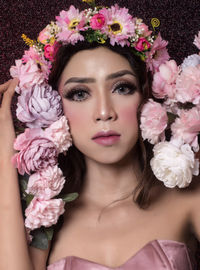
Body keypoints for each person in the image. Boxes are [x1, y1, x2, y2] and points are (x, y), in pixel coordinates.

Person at [0, 2, 200, 269]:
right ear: (55, 110)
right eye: (79, 93)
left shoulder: (188, 196)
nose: (104, 112)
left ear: (145, 95)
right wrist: (5, 153)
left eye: (122, 88)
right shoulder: (45, 221)